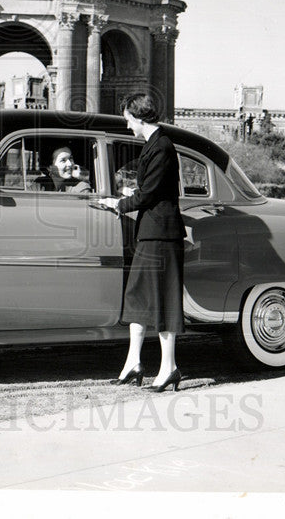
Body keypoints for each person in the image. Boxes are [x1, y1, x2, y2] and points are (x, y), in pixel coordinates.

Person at [98, 93, 185, 392]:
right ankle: (133, 363)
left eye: (127, 119)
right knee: (138, 297)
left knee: (161, 300)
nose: (126, 125)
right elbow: (148, 191)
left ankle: (169, 367)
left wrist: (118, 204)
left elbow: (148, 194)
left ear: (137, 117)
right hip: (153, 233)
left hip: (161, 234)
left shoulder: (161, 146)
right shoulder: (155, 144)